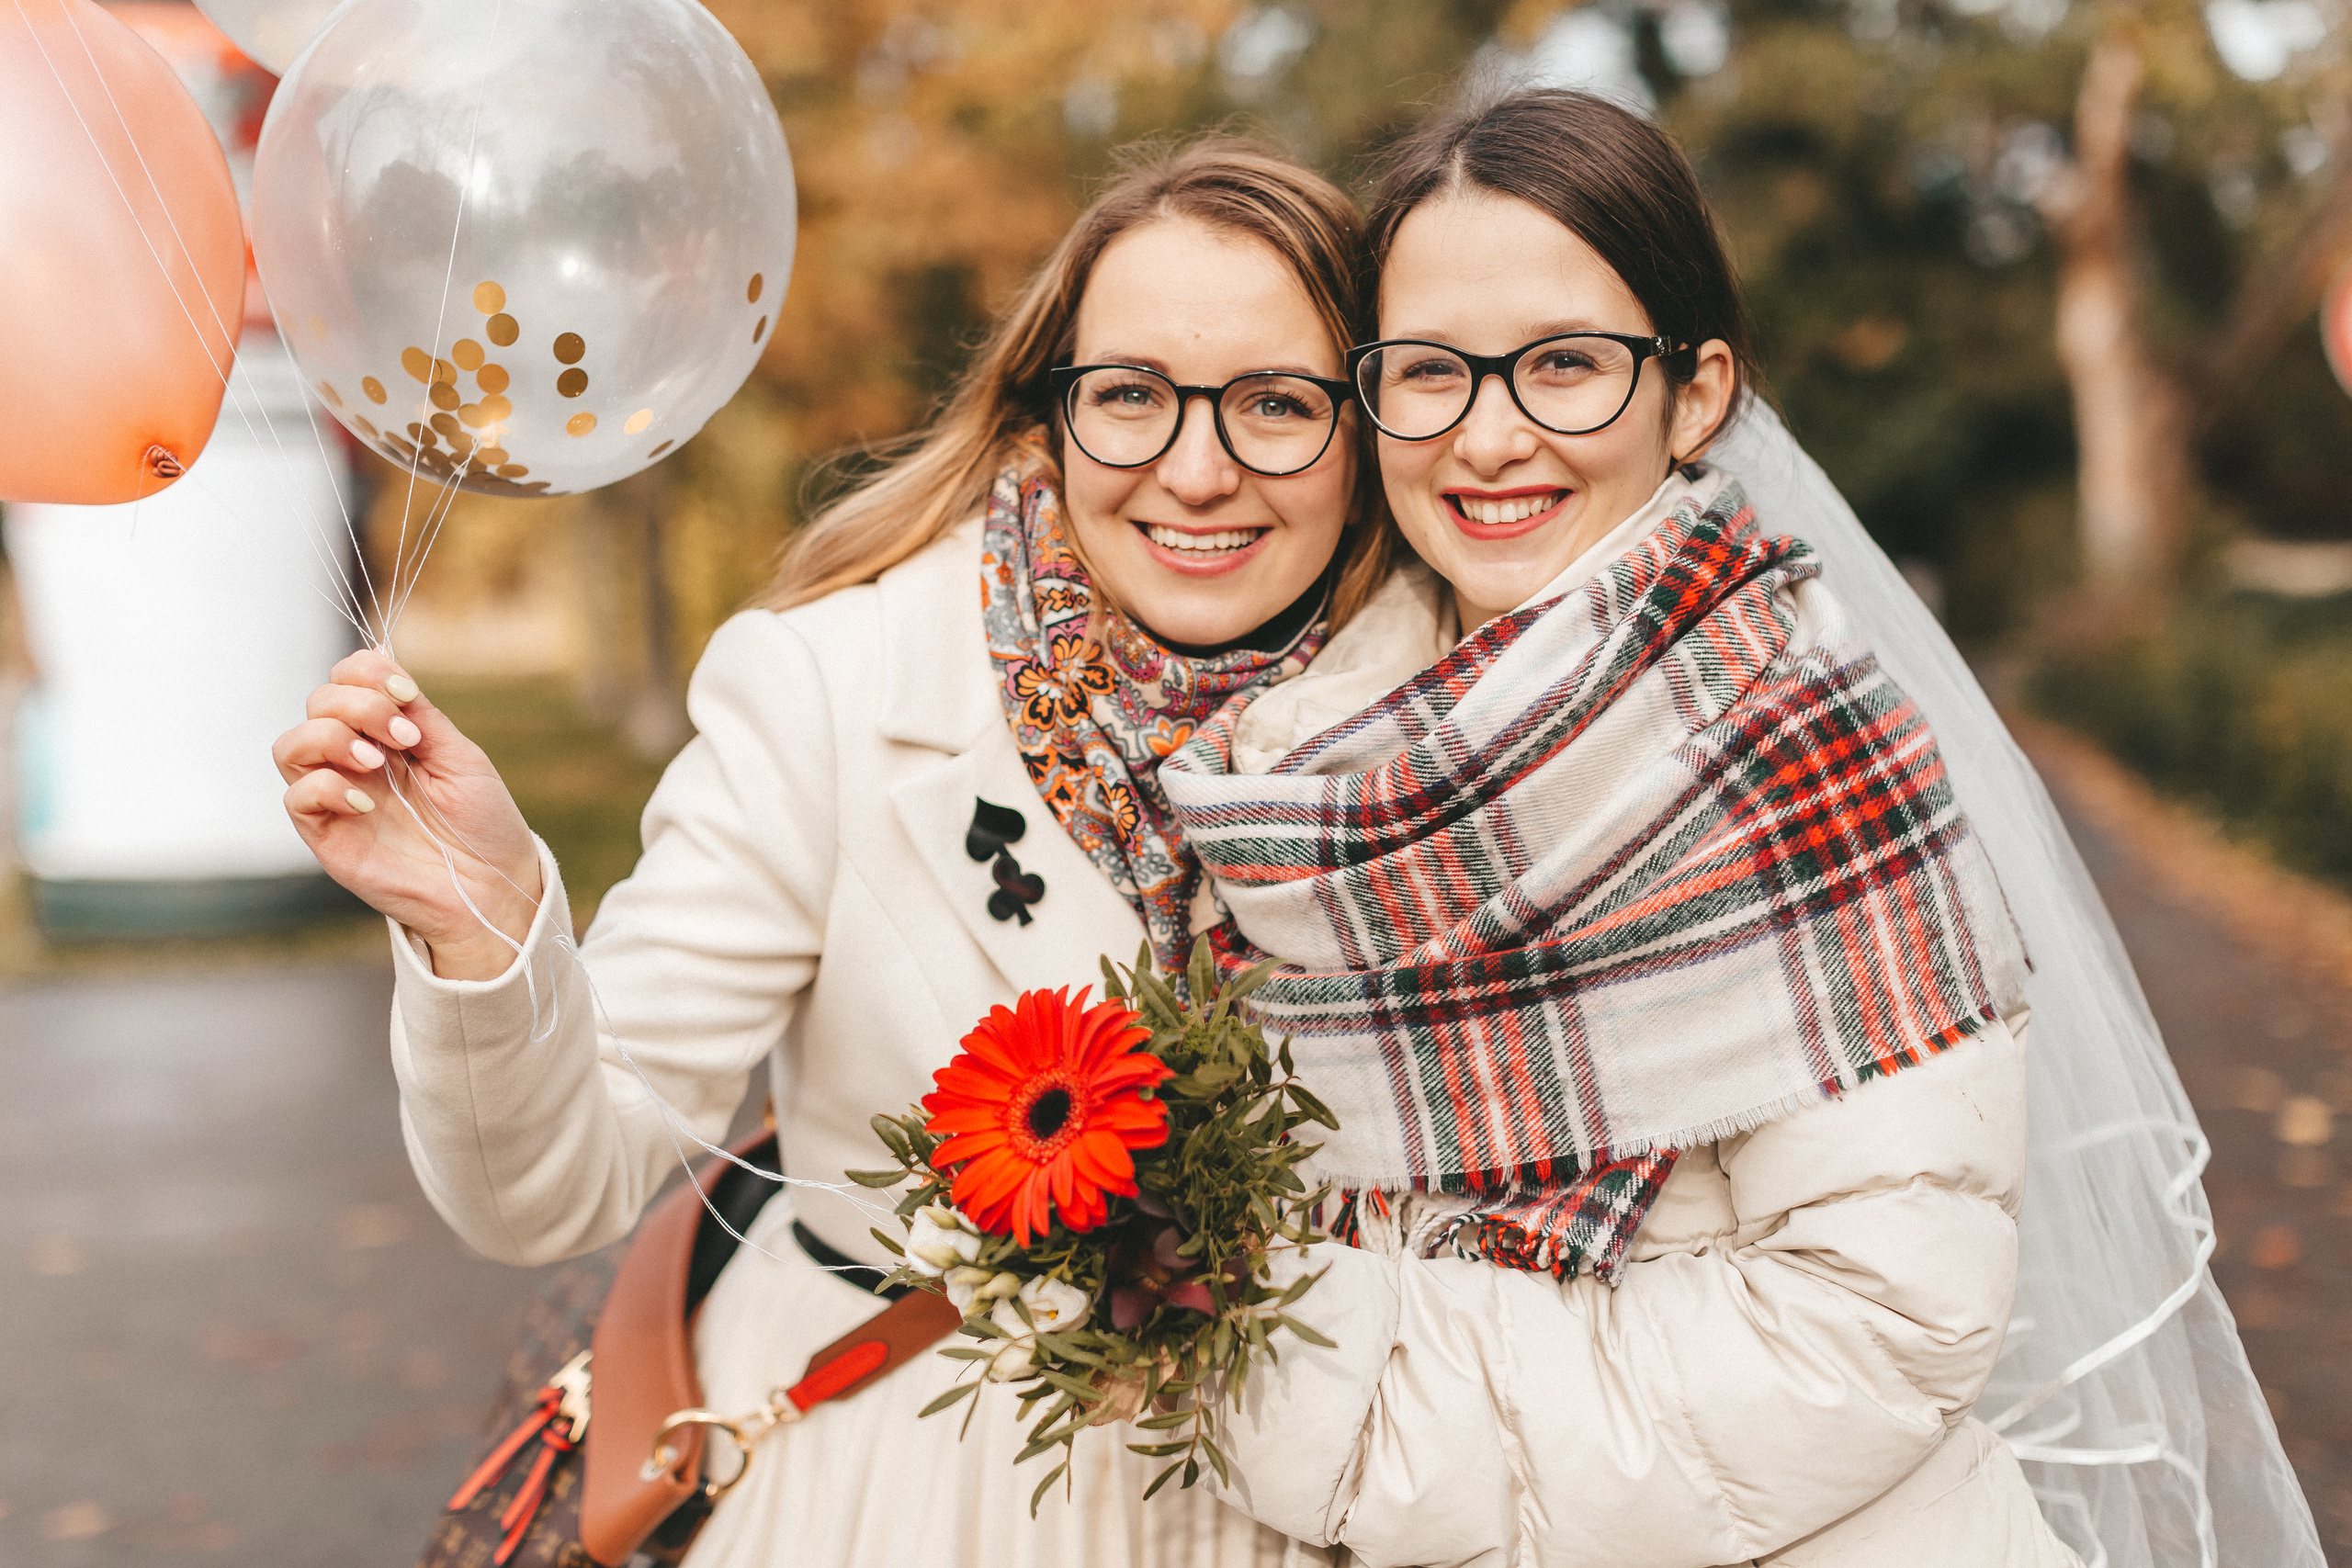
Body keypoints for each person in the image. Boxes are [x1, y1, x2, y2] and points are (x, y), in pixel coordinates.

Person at [1159, 91, 2320, 1568]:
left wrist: (1306, 1372)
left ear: (1694, 393)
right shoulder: (1304, 761)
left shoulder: (1796, 755)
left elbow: (1872, 1332)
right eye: (1431, 373)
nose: (1489, 436)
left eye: (1566, 366)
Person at [269, 140, 1396, 1565]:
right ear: (1047, 413)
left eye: (1277, 403)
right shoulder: (834, 688)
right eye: (1131, 397)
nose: (1197, 467)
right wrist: (489, 932)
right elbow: (548, 1187)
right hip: (903, 1486)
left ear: (1367, 429)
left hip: (1333, 1486)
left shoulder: (1474, 724)